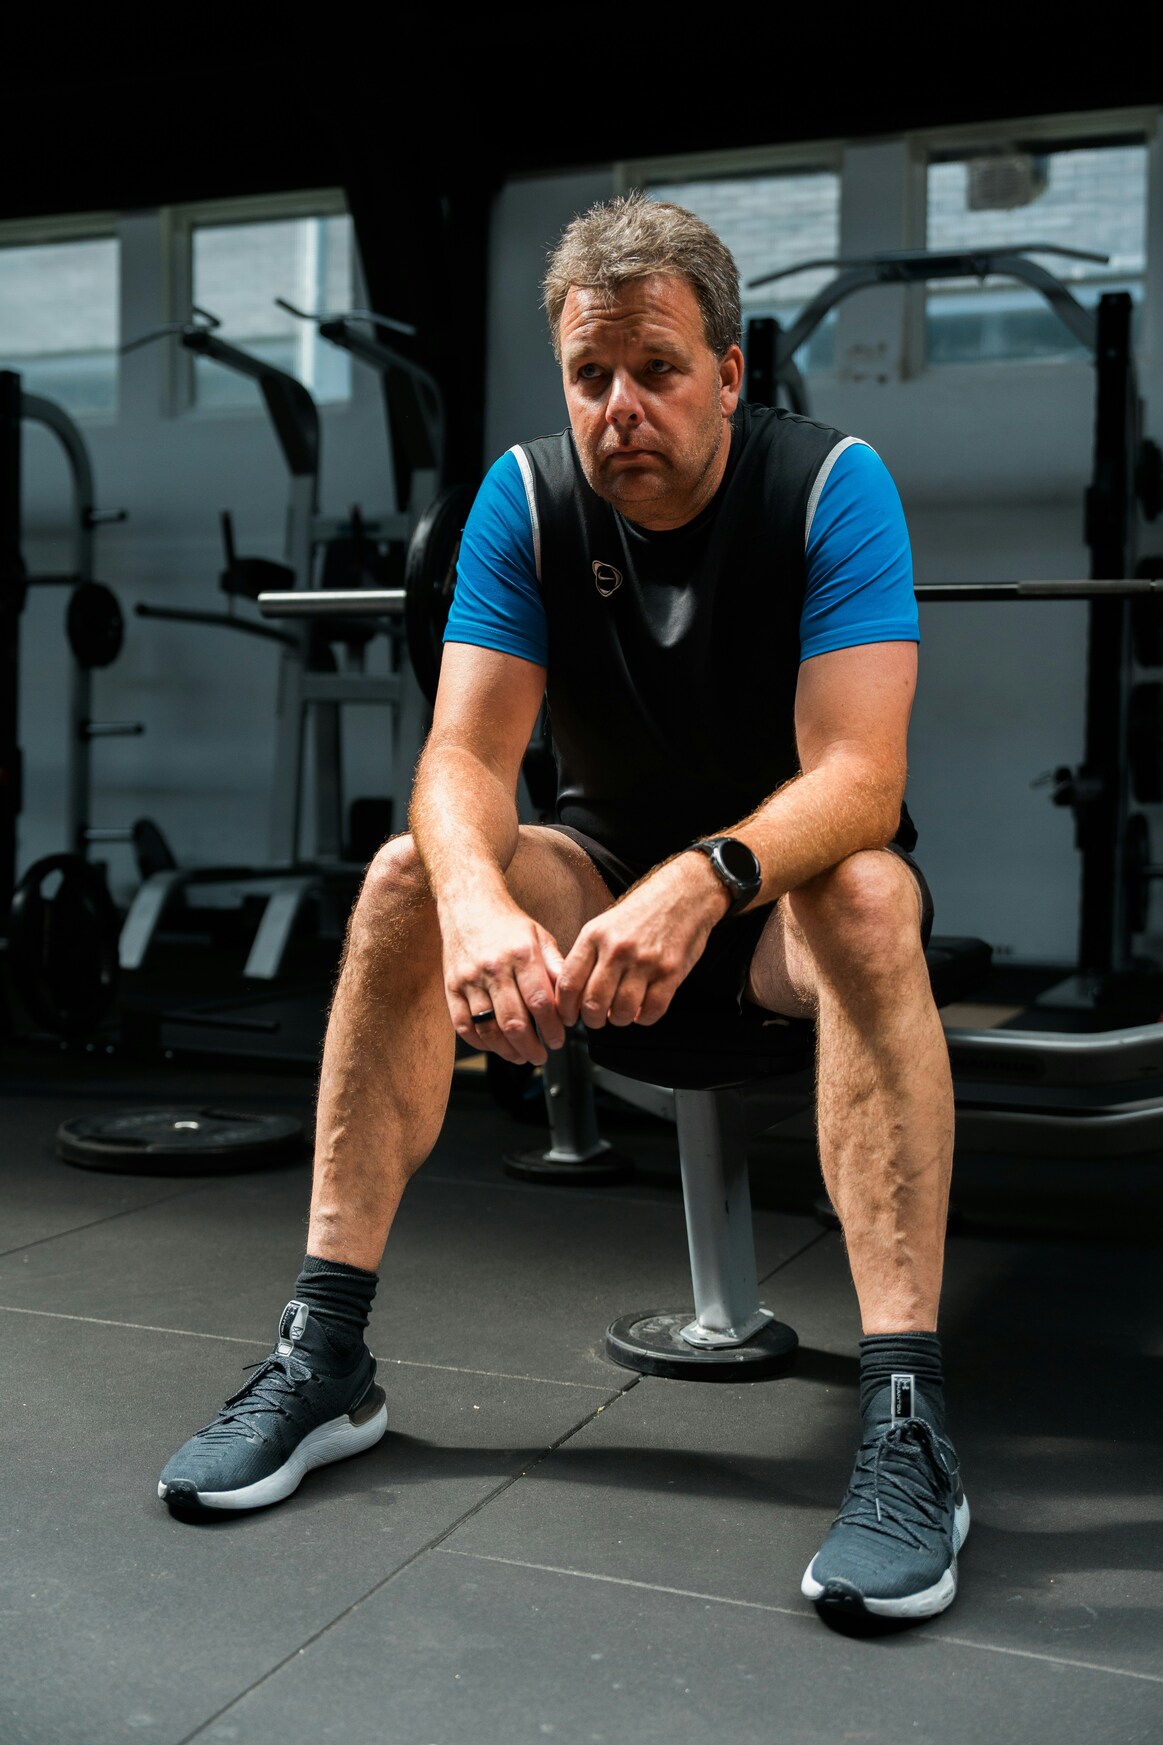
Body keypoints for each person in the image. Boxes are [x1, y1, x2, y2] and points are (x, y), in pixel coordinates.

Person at [159, 193, 967, 1626]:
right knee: (408, 878)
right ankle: (324, 1353)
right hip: (594, 889)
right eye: (591, 376)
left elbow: (860, 776)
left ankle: (909, 1426)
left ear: (730, 371)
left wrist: (707, 877)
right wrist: (477, 904)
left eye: (657, 369)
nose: (619, 407)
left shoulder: (833, 487)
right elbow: (465, 760)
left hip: (773, 911)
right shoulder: (526, 501)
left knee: (869, 890)